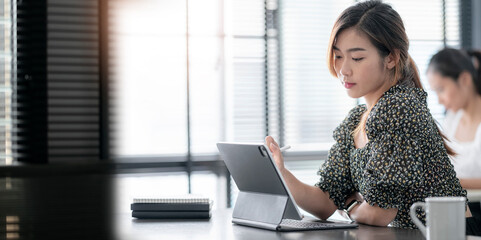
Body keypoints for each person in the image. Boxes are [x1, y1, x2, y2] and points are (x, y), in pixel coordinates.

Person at [265, 0, 468, 229]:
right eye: (339, 56)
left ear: (391, 57)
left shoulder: (400, 107)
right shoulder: (356, 120)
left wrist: (349, 205)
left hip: (449, 233)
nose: (343, 70)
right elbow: (324, 203)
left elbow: (378, 214)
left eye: (357, 58)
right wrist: (281, 172)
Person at [427, 48, 481, 189]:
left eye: (441, 89)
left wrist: (450, 182)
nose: (439, 100)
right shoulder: (452, 120)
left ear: (465, 79)